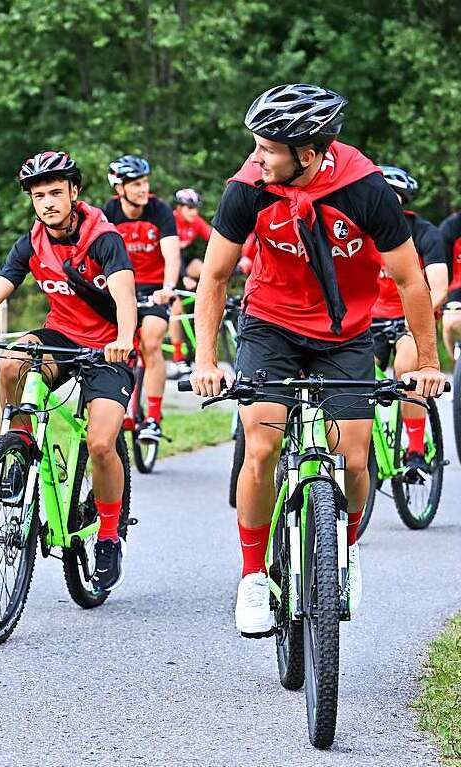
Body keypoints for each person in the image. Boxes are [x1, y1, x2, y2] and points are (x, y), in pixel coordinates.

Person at [188, 83, 446, 636]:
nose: (257, 158)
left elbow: (409, 279)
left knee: (354, 457)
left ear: (307, 153)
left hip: (346, 332)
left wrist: (427, 362)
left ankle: (341, 555)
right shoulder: (247, 188)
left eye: (268, 149)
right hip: (270, 324)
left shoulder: (365, 189)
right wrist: (206, 359)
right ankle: (254, 573)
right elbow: (213, 276)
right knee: (261, 444)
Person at [0, 151, 137, 591]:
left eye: (55, 193)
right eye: (39, 195)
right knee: (11, 360)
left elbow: (124, 294)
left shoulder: (103, 237)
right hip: (60, 337)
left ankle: (107, 535)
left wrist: (123, 339)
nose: (47, 203)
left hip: (108, 349)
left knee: (101, 444)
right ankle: (21, 446)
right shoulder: (31, 243)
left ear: (74, 192)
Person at [371, 165, 448, 477]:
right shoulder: (359, 230)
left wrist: (412, 317)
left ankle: (415, 450)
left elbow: (439, 287)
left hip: (408, 318)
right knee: (353, 375)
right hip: (369, 319)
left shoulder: (424, 232)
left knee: (406, 369)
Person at [103, 155, 180, 437]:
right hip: (120, 289)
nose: (143, 189)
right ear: (119, 189)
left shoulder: (159, 210)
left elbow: (172, 255)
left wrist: (168, 287)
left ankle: (153, 419)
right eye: (135, 184)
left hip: (154, 291)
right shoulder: (108, 213)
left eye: (145, 182)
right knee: (112, 347)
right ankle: (117, 408)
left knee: (150, 342)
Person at [170, 187, 213, 376]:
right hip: (165, 268)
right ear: (179, 207)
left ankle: (212, 294)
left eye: (196, 208)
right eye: (189, 208)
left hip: (182, 264)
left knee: (200, 265)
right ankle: (178, 358)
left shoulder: (195, 221)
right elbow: (171, 255)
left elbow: (216, 239)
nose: (194, 212)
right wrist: (182, 277)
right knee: (176, 310)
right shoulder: (171, 220)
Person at [439, 209, 461, 353]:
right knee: (450, 321)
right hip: (457, 286)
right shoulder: (451, 227)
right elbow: (443, 268)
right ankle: (456, 362)